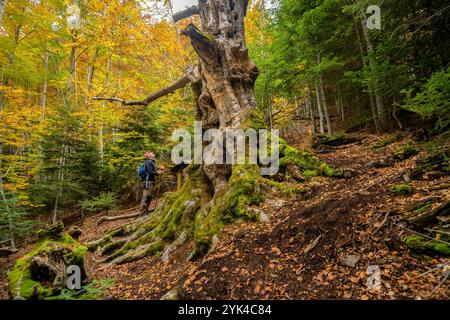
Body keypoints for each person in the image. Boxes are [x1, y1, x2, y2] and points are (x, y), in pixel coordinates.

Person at [139, 151, 158, 215]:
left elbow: (151, 171)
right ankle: (142, 213)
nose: (153, 153)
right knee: (146, 197)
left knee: (148, 197)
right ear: (149, 155)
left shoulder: (150, 162)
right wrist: (158, 173)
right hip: (148, 182)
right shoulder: (148, 162)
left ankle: (145, 212)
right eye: (151, 153)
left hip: (149, 181)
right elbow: (150, 172)